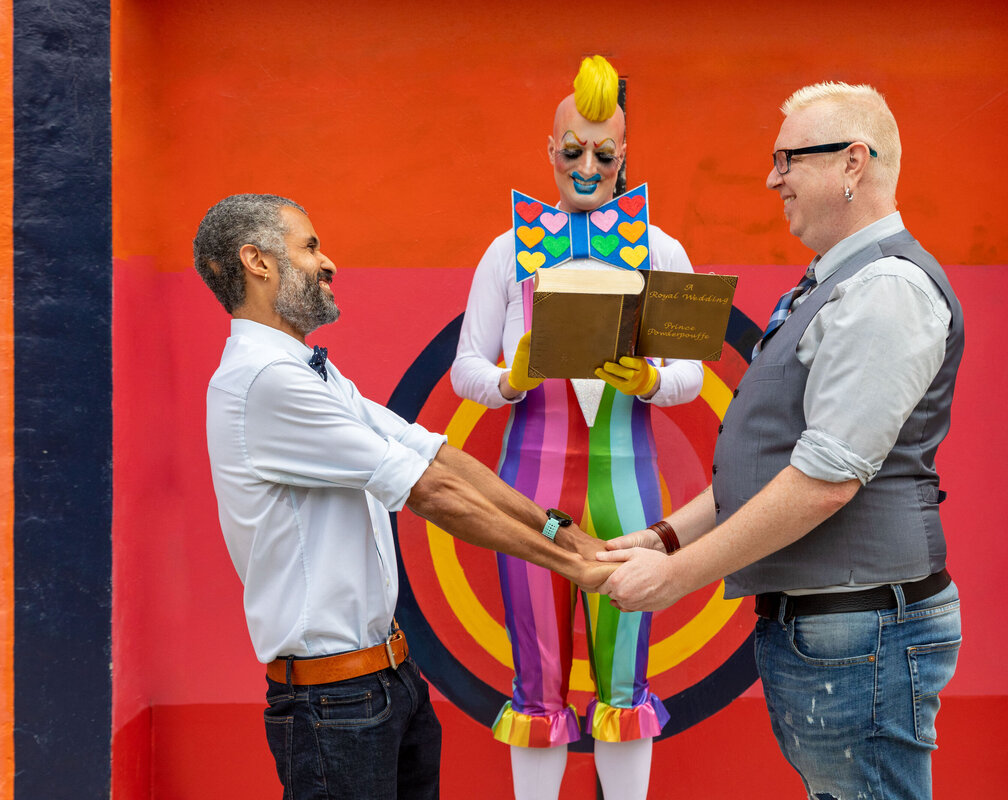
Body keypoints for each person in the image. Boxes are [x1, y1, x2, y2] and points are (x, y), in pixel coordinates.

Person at [599, 82, 965, 800]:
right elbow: (780, 458)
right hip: (840, 634)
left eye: (788, 159)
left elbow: (827, 477)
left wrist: (677, 577)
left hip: (861, 634)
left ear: (853, 163)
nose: (773, 179)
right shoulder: (835, 285)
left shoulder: (885, 290)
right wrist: (667, 538)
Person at [195, 193, 614, 800]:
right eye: (310, 246)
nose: (328, 262)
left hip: (388, 681)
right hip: (332, 704)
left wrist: (562, 531)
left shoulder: (312, 372)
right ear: (257, 262)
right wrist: (574, 566)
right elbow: (431, 492)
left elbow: (437, 453)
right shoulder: (267, 381)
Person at [450, 56, 703, 800]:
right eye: (572, 150)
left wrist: (651, 379)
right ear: (549, 149)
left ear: (625, 156)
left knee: (626, 680)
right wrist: (511, 378)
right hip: (530, 484)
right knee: (537, 680)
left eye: (603, 152)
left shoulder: (663, 250)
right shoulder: (506, 251)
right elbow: (466, 369)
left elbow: (689, 375)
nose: (587, 166)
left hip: (628, 481)